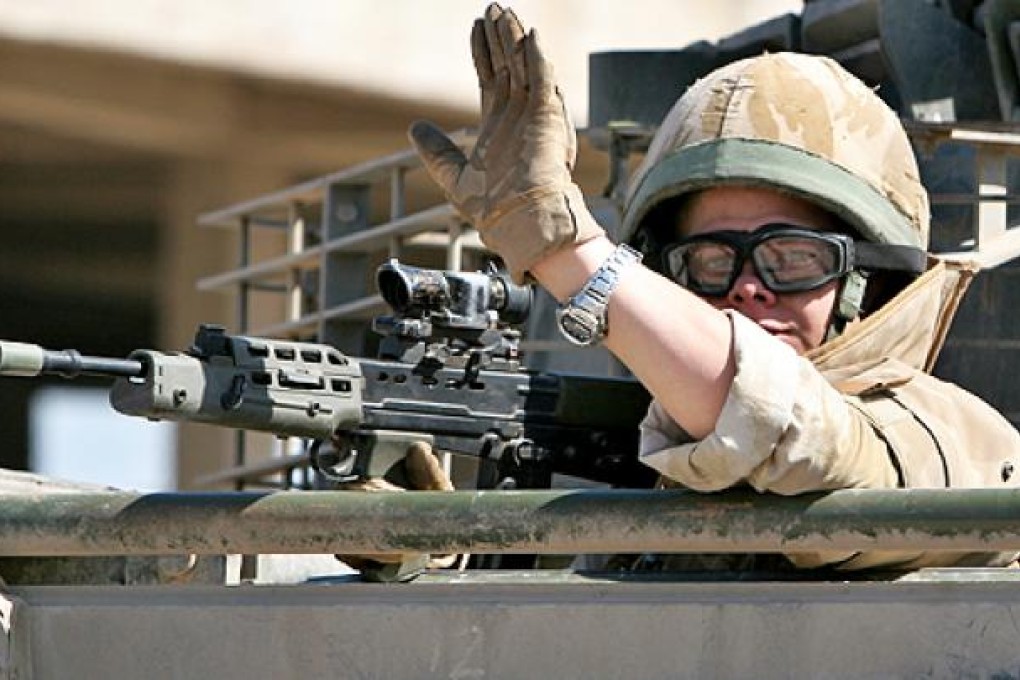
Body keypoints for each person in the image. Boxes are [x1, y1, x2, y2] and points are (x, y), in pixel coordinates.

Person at [404, 3, 1020, 571]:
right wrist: (432, 553)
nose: (748, 288)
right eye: (709, 260)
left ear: (871, 280)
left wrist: (567, 252)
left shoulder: (944, 433)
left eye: (793, 257)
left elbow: (790, 429)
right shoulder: (666, 456)